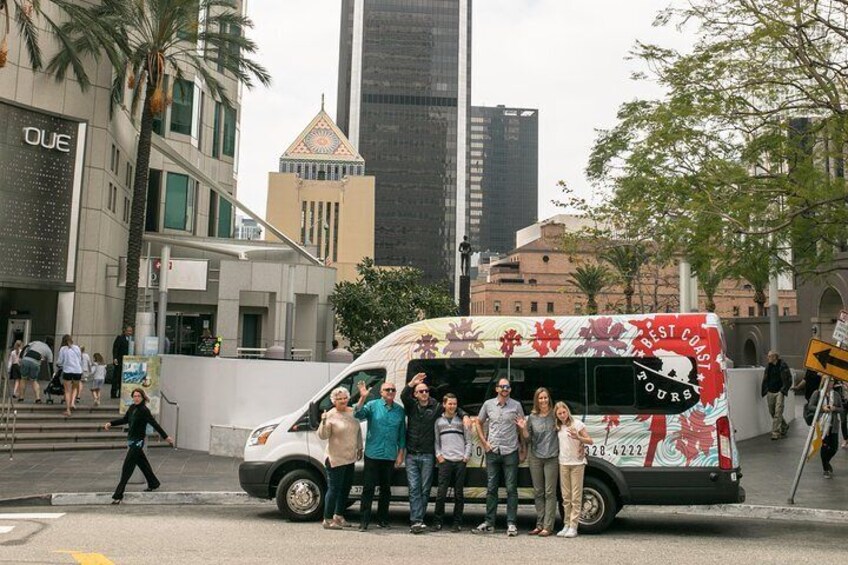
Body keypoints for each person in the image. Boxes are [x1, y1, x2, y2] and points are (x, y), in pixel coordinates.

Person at [401, 372, 468, 534]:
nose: (424, 393)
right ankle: (417, 520)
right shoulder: (411, 406)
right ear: (415, 394)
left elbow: (451, 406)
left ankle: (419, 519)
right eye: (421, 391)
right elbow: (403, 396)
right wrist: (411, 383)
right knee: (414, 488)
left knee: (424, 489)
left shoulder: (436, 407)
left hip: (427, 454)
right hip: (411, 454)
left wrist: (464, 414)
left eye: (426, 391)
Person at [473, 377, 524, 536]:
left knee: (511, 489)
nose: (505, 389)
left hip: (511, 451)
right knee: (491, 488)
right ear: (496, 389)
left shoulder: (517, 405)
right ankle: (489, 523)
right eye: (502, 387)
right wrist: (484, 442)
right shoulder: (488, 404)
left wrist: (523, 448)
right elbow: (478, 422)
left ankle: (511, 524)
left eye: (507, 387)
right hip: (492, 451)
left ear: (510, 389)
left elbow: (521, 427)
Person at [104, 388, 174, 503]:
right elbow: (125, 419)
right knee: (143, 463)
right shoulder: (132, 408)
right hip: (131, 441)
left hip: (138, 442)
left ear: (142, 398)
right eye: (135, 396)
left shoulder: (144, 410)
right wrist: (111, 423)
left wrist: (166, 437)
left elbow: (154, 424)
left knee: (127, 467)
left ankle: (118, 495)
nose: (136, 398)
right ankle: (153, 483)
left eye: (138, 396)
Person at [354, 380, 406, 531]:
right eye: (387, 389)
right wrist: (363, 397)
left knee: (386, 490)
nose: (390, 392)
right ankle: (364, 521)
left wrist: (400, 454)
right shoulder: (372, 405)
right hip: (373, 454)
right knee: (368, 488)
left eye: (393, 389)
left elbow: (402, 434)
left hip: (389, 455)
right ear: (381, 392)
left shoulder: (399, 410)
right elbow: (357, 413)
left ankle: (382, 519)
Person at [317, 386, 362, 530]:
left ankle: (339, 515)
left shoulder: (352, 412)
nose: (343, 401)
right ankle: (327, 519)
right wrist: (323, 422)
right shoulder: (330, 415)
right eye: (339, 399)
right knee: (334, 489)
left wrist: (360, 447)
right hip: (335, 458)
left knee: (345, 488)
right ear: (334, 401)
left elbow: (358, 430)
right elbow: (323, 435)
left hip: (349, 457)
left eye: (344, 398)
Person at [516, 387, 558, 537]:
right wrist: (523, 429)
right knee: (538, 492)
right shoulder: (532, 417)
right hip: (535, 457)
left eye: (545, 397)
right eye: (540, 398)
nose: (543, 400)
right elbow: (528, 439)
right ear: (536, 400)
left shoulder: (555, 415)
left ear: (549, 399)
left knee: (549, 492)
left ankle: (548, 526)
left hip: (552, 457)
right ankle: (539, 525)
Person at [433, 393, 471, 532]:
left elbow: (468, 440)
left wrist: (466, 457)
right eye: (450, 403)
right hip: (445, 461)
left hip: (460, 461)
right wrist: (439, 456)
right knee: (441, 493)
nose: (452, 406)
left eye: (454, 404)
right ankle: (438, 521)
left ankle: (457, 523)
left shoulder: (462, 421)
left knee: (458, 494)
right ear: (444, 404)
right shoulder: (438, 422)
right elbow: (436, 442)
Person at [555, 401, 593, 538]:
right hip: (563, 462)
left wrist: (579, 438)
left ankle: (573, 526)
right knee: (566, 497)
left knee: (576, 496)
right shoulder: (558, 426)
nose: (562, 415)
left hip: (577, 463)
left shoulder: (577, 424)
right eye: (559, 413)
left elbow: (590, 440)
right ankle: (566, 524)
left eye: (564, 412)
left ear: (567, 411)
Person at [805, 379, 843, 478]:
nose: (830, 384)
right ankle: (826, 469)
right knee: (825, 447)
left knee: (834, 447)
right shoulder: (817, 393)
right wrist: (823, 408)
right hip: (821, 424)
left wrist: (834, 408)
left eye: (832, 382)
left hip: (833, 424)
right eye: (828, 382)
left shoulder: (836, 395)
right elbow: (810, 406)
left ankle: (827, 462)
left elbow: (841, 408)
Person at [761, 350, 791, 440]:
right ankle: (784, 425)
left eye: (770, 356)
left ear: (775, 357)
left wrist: (783, 390)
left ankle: (775, 433)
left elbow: (789, 379)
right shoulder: (768, 367)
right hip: (770, 391)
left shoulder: (783, 366)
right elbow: (765, 379)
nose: (768, 358)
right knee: (772, 412)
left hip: (779, 392)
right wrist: (765, 389)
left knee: (778, 412)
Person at [19, 337, 54, 404]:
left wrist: (21, 357)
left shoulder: (36, 342)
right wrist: (52, 374)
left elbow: (25, 346)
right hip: (35, 362)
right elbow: (50, 365)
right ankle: (38, 399)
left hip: (26, 359)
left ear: (45, 340)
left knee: (23, 379)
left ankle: (21, 397)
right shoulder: (49, 351)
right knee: (34, 380)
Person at [57, 334, 84, 417]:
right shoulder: (77, 348)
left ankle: (68, 410)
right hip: (77, 371)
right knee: (75, 388)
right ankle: (72, 402)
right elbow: (80, 359)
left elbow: (60, 361)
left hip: (68, 371)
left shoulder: (63, 349)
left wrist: (58, 364)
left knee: (67, 390)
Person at [111, 325, 133, 399]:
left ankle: (121, 393)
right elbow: (115, 348)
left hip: (128, 362)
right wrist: (115, 358)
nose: (130, 333)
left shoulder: (132, 339)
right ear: (125, 331)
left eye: (131, 331)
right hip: (119, 360)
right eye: (128, 331)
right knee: (116, 377)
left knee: (123, 378)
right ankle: (113, 393)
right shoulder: (120, 338)